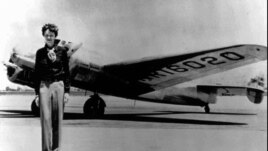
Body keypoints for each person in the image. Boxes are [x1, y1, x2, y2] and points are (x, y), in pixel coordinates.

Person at [34, 23, 70, 151]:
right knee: (46, 120)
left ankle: (57, 149)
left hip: (58, 86)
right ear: (43, 36)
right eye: (47, 35)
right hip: (44, 86)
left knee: (57, 121)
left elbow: (66, 72)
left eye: (51, 35)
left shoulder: (62, 52)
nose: (49, 37)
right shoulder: (40, 53)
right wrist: (37, 94)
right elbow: (36, 74)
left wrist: (66, 91)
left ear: (55, 36)